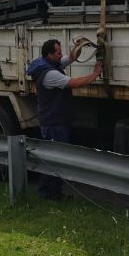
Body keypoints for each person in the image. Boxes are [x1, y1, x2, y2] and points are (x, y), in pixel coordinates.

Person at [25, 39, 102, 200]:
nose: (62, 55)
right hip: (54, 122)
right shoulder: (50, 74)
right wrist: (94, 74)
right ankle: (49, 193)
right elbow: (74, 83)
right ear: (50, 54)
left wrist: (78, 46)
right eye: (59, 52)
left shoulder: (50, 63)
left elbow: (71, 57)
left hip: (55, 120)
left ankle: (50, 192)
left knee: (54, 158)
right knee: (55, 159)